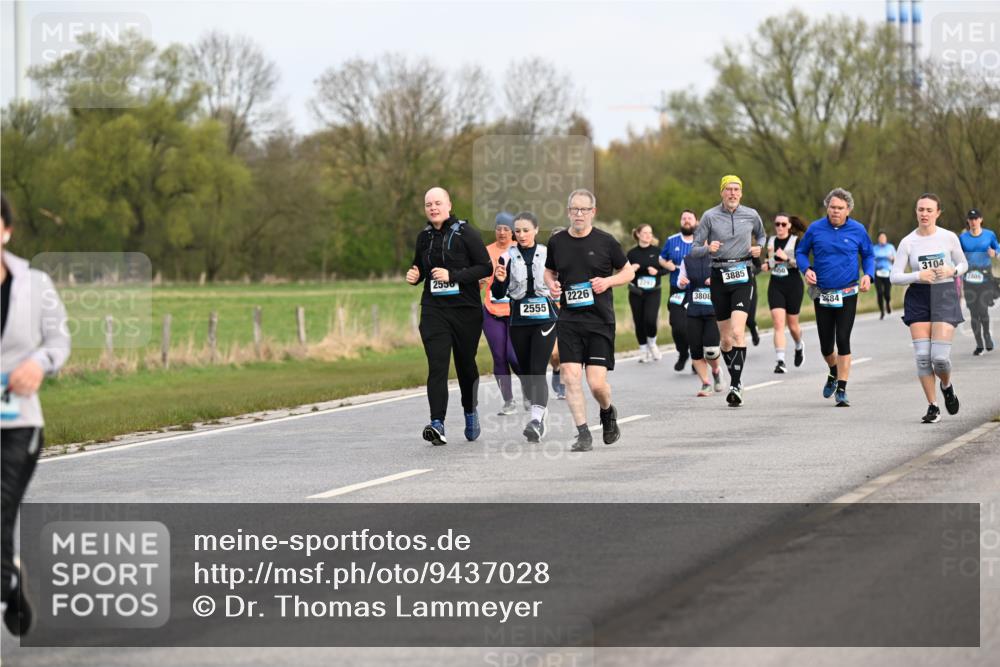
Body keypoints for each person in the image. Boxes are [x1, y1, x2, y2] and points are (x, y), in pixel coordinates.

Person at [1, 193, 71, 635]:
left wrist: (39, 364)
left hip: (18, 422)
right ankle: (9, 581)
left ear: (6, 231)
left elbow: (59, 342)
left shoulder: (35, 283)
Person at [545, 189, 635, 452]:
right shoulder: (557, 242)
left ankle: (607, 410)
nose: (579, 214)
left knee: (596, 384)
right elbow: (549, 271)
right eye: (574, 209)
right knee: (570, 376)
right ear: (568, 212)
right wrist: (551, 284)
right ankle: (583, 433)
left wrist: (608, 281)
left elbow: (628, 272)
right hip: (569, 320)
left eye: (584, 209)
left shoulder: (606, 242)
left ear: (593, 212)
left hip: (599, 321)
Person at [406, 187, 492, 445]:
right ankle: (437, 423)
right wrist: (415, 275)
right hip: (434, 310)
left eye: (437, 203)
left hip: (465, 310)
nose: (433, 208)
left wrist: (453, 276)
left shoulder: (467, 233)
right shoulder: (424, 237)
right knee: (437, 365)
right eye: (428, 204)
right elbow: (420, 267)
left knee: (465, 365)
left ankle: (470, 410)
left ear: (449, 205)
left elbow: (485, 267)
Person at [689, 175, 766, 407]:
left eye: (736, 189)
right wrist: (707, 248)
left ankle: (735, 384)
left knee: (737, 332)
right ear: (722, 192)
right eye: (728, 189)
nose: (732, 193)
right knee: (724, 340)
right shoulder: (709, 216)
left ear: (741, 193)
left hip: (743, 274)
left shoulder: (751, 214)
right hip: (719, 276)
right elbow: (694, 249)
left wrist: (759, 247)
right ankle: (733, 378)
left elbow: (762, 235)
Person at [891, 194, 967, 423]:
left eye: (929, 210)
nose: (924, 214)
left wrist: (952, 271)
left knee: (940, 358)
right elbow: (895, 276)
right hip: (918, 296)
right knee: (923, 357)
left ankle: (947, 386)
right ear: (916, 211)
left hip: (944, 294)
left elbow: (963, 263)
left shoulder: (949, 237)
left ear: (938, 213)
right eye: (920, 209)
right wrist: (918, 275)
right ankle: (933, 406)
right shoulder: (908, 242)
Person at [795, 187, 874, 407]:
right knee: (826, 346)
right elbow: (801, 252)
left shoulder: (858, 229)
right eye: (832, 207)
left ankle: (842, 389)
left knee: (843, 339)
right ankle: (833, 369)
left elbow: (868, 254)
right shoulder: (815, 228)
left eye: (840, 208)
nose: (835, 211)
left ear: (848, 210)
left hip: (847, 292)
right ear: (827, 208)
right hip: (822, 292)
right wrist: (806, 269)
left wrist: (868, 275)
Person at [491, 212, 559, 442]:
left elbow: (560, 281)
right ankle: (539, 408)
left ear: (536, 230)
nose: (521, 235)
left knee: (538, 369)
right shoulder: (506, 257)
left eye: (526, 230)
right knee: (526, 372)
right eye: (517, 231)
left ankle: (536, 421)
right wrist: (499, 281)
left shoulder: (548, 254)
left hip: (545, 319)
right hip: (519, 321)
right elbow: (498, 293)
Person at [482, 212, 524, 414]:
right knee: (499, 357)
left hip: (516, 312)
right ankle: (509, 401)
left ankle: (528, 387)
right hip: (492, 310)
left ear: (513, 231)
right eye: (498, 228)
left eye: (506, 229)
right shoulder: (486, 251)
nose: (502, 232)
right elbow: (478, 277)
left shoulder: (520, 249)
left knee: (513, 357)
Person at [762, 214, 807, 373]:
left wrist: (786, 258)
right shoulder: (771, 241)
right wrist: (767, 265)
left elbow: (801, 264)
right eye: (777, 224)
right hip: (776, 285)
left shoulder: (796, 241)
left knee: (793, 326)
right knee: (778, 323)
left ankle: (799, 345)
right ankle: (780, 361)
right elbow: (769, 262)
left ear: (789, 226)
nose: (780, 227)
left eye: (783, 224)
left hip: (793, 285)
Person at [677, 252, 724, 396]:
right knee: (696, 351)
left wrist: (716, 280)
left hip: (713, 310)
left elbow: (728, 278)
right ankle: (706, 383)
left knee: (711, 351)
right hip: (694, 310)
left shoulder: (719, 256)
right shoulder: (687, 259)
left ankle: (716, 370)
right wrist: (681, 282)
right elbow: (680, 281)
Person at [659, 210, 697, 370]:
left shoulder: (702, 241)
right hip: (677, 290)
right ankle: (683, 352)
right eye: (684, 218)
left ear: (696, 222)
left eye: (690, 218)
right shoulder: (672, 240)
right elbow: (662, 258)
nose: (686, 221)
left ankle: (697, 358)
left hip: (697, 290)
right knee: (677, 325)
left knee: (695, 325)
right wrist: (667, 265)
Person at [959, 208, 999, 355]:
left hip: (985, 278)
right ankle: (979, 344)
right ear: (968, 221)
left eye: (976, 219)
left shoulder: (989, 235)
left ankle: (987, 335)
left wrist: (995, 253)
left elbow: (997, 248)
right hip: (969, 279)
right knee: (974, 313)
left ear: (981, 219)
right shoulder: (962, 238)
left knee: (982, 309)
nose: (973, 221)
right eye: (971, 219)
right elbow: (957, 255)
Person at [627, 224, 665, 363]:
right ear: (638, 234)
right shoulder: (632, 253)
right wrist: (631, 269)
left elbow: (668, 268)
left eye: (650, 233)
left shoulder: (658, 251)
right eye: (645, 232)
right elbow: (623, 272)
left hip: (653, 292)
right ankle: (643, 351)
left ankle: (652, 343)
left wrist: (657, 272)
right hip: (636, 292)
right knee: (638, 321)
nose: (648, 235)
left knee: (650, 320)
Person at [548, 227, 567, 400]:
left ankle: (564, 383)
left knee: (567, 350)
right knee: (554, 353)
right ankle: (556, 368)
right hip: (548, 311)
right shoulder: (543, 261)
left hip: (569, 310)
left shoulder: (573, 258)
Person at [873, 231, 897, 320]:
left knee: (887, 293)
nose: (882, 239)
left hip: (888, 272)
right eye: (881, 237)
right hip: (878, 272)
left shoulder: (890, 247)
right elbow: (871, 259)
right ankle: (882, 311)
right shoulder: (874, 248)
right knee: (879, 293)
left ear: (886, 239)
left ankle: (887, 303)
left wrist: (892, 258)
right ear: (878, 239)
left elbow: (896, 258)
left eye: (884, 237)